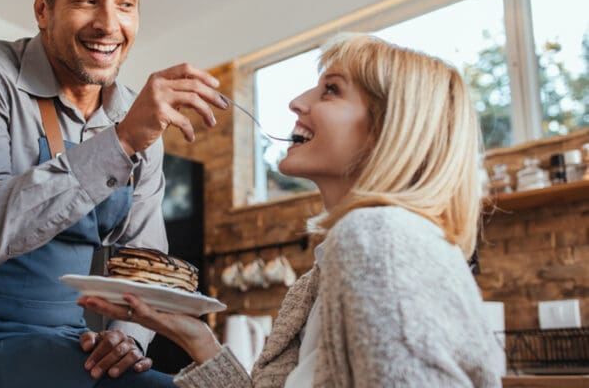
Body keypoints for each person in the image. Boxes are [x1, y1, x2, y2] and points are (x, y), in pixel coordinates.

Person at [80, 33, 506, 387]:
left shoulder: (381, 237)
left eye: (331, 90)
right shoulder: (325, 273)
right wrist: (197, 337)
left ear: (387, 129)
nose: (298, 102)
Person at [0, 0, 230, 386]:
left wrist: (124, 338)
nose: (109, 24)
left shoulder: (137, 117)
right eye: (87, 0)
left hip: (65, 345)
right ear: (43, 9)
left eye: (126, 4)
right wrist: (122, 142)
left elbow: (143, 262)